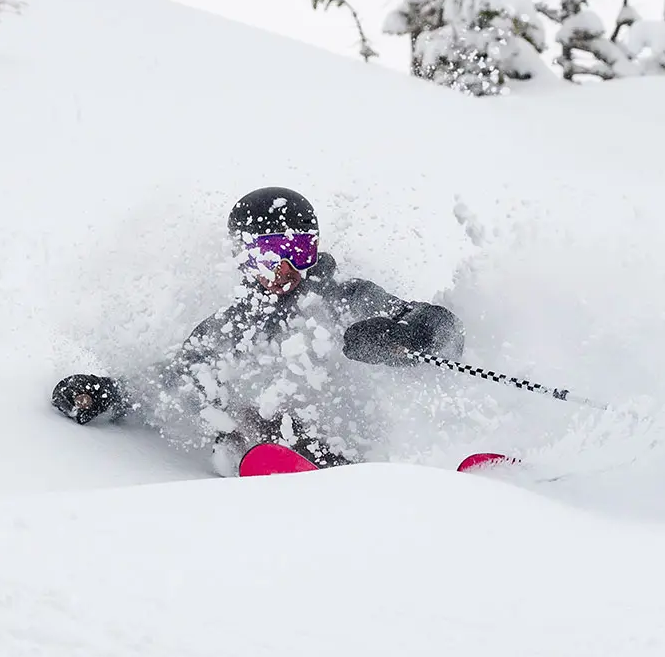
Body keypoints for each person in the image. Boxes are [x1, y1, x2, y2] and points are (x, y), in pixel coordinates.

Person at [51, 187, 464, 475]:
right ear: (243, 259)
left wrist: (405, 337)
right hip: (275, 449)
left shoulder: (348, 300)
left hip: (356, 451)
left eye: (299, 252)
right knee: (239, 411)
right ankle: (267, 460)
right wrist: (110, 393)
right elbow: (173, 382)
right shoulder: (233, 327)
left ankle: (425, 473)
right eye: (268, 256)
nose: (285, 269)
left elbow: (445, 330)